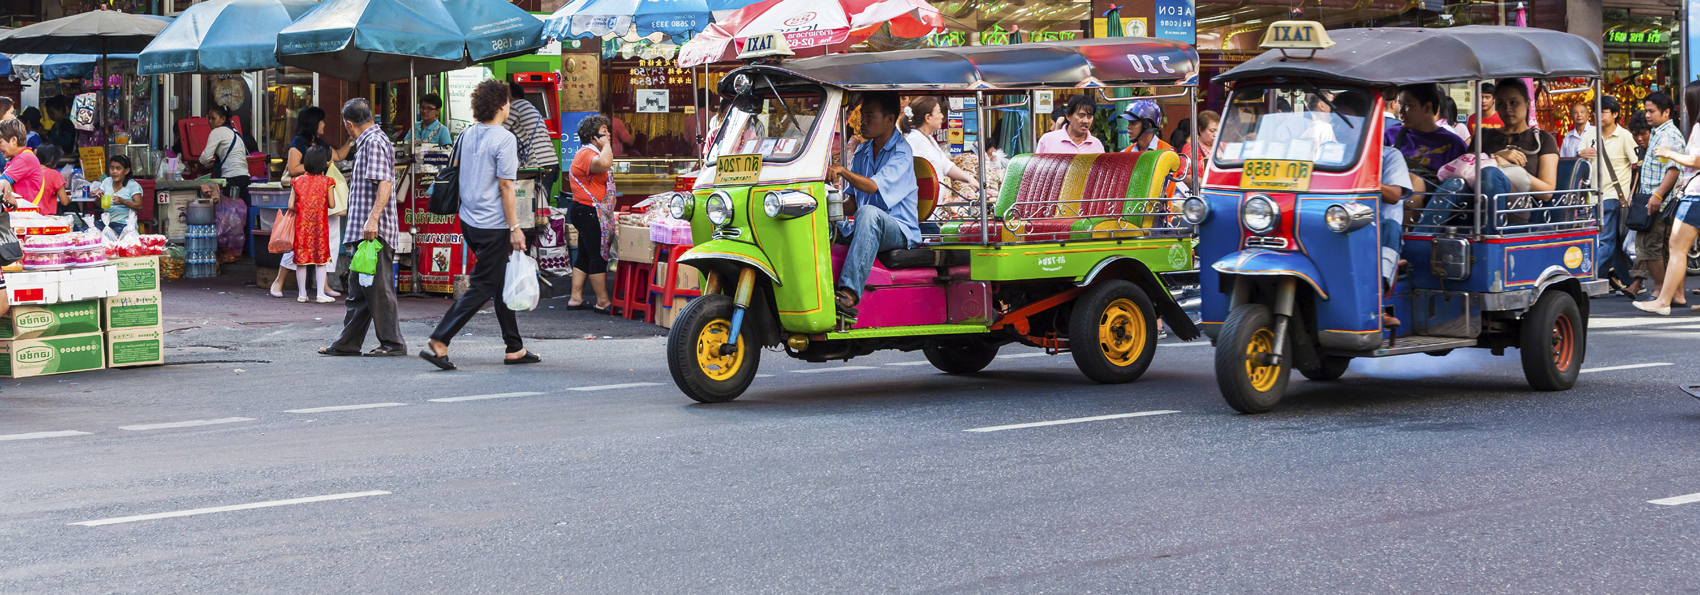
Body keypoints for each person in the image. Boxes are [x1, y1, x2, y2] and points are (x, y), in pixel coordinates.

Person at [421, 80, 537, 370]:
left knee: (498, 281)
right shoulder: (504, 138)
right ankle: (440, 339)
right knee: (484, 283)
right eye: (508, 102)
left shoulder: (467, 133)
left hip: (469, 220)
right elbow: (506, 187)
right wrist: (515, 228)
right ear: (501, 106)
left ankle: (515, 347)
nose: (509, 106)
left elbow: (459, 169)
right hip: (494, 224)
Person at [322, 98, 405, 357]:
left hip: (373, 233)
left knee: (377, 289)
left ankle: (393, 343)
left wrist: (373, 219)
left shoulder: (374, 142)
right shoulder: (371, 141)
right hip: (366, 231)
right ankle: (347, 343)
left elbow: (385, 183)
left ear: (349, 124)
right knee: (360, 289)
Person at [826, 92, 917, 317]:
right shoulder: (863, 151)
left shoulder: (902, 152)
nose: (862, 122)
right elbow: (853, 203)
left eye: (869, 116)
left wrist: (843, 171)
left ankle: (849, 292)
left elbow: (873, 187)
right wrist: (825, 209)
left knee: (869, 213)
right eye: (861, 115)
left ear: (889, 119)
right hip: (865, 226)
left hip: (899, 229)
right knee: (821, 220)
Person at [272, 105, 352, 299]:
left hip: (323, 197)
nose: (324, 124)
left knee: (329, 242)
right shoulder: (298, 142)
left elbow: (340, 155)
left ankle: (322, 284)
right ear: (313, 122)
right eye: (322, 121)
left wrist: (351, 139)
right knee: (300, 243)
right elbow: (293, 168)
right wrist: (318, 166)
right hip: (306, 199)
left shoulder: (321, 143)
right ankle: (279, 280)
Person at [1627, 91, 1685, 303]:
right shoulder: (1659, 132)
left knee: (1648, 246)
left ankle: (1662, 290)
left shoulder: (1668, 134)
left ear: (1666, 111)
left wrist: (1658, 195)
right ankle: (1674, 294)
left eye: (1651, 111)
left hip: (1659, 202)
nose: (1648, 115)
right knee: (1663, 249)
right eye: (1646, 110)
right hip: (1655, 199)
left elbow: (1673, 169)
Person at [1580, 96, 1636, 295]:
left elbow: (1636, 164)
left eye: (1604, 112)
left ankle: (1590, 279)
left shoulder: (1624, 136)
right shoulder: (1589, 134)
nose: (1599, 115)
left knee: (1606, 240)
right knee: (1616, 243)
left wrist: (1630, 194)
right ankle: (1633, 281)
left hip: (1614, 195)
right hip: (1593, 195)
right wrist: (1581, 155)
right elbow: (1580, 163)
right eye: (1596, 111)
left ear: (1615, 114)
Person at [567, 114, 614, 312]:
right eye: (604, 132)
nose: (609, 134)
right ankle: (602, 301)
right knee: (598, 255)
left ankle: (575, 298)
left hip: (585, 210)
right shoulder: (588, 154)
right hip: (589, 211)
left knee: (585, 254)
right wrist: (606, 145)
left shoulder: (588, 152)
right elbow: (605, 164)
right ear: (593, 137)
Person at [902, 97, 980, 200]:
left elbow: (946, 166)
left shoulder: (928, 138)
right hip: (922, 207)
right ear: (928, 117)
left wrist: (970, 179)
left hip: (935, 206)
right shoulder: (916, 141)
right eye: (939, 112)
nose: (942, 116)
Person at [287, 145, 337, 304]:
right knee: (320, 260)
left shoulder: (296, 181)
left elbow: (290, 205)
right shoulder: (327, 181)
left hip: (301, 228)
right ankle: (320, 293)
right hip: (320, 228)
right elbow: (332, 204)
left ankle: (302, 294)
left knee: (302, 260)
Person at [1387, 84, 1468, 174]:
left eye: (1407, 105)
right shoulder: (1389, 136)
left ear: (1427, 107)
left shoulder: (1454, 144)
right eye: (1400, 104)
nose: (1401, 111)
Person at [505, 81, 560, 206]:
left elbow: (498, 130)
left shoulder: (514, 107)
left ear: (510, 96)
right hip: (550, 161)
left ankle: (539, 226)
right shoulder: (529, 106)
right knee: (541, 205)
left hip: (539, 163)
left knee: (535, 208)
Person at [200, 106, 252, 203]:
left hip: (231, 177)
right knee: (237, 210)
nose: (210, 121)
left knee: (228, 211)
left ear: (223, 119)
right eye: (209, 118)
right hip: (244, 177)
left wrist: (199, 165)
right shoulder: (235, 132)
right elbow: (232, 158)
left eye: (213, 118)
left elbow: (205, 158)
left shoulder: (217, 131)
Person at [1036, 94, 1104, 154]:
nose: (1086, 121)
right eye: (1081, 115)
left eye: (1089, 117)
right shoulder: (1047, 141)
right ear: (1068, 116)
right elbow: (1036, 167)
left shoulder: (1097, 145)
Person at [99, 155, 142, 236]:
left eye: (118, 168)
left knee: (110, 237)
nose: (114, 171)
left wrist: (123, 201)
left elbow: (139, 206)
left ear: (126, 171)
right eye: (112, 168)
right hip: (106, 222)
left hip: (123, 223)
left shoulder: (133, 185)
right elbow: (98, 204)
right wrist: (98, 197)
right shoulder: (106, 182)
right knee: (86, 232)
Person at [31, 144, 67, 216]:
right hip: (48, 219)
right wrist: (69, 199)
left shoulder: (28, 172)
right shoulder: (54, 174)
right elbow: (64, 201)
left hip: (30, 216)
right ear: (52, 159)